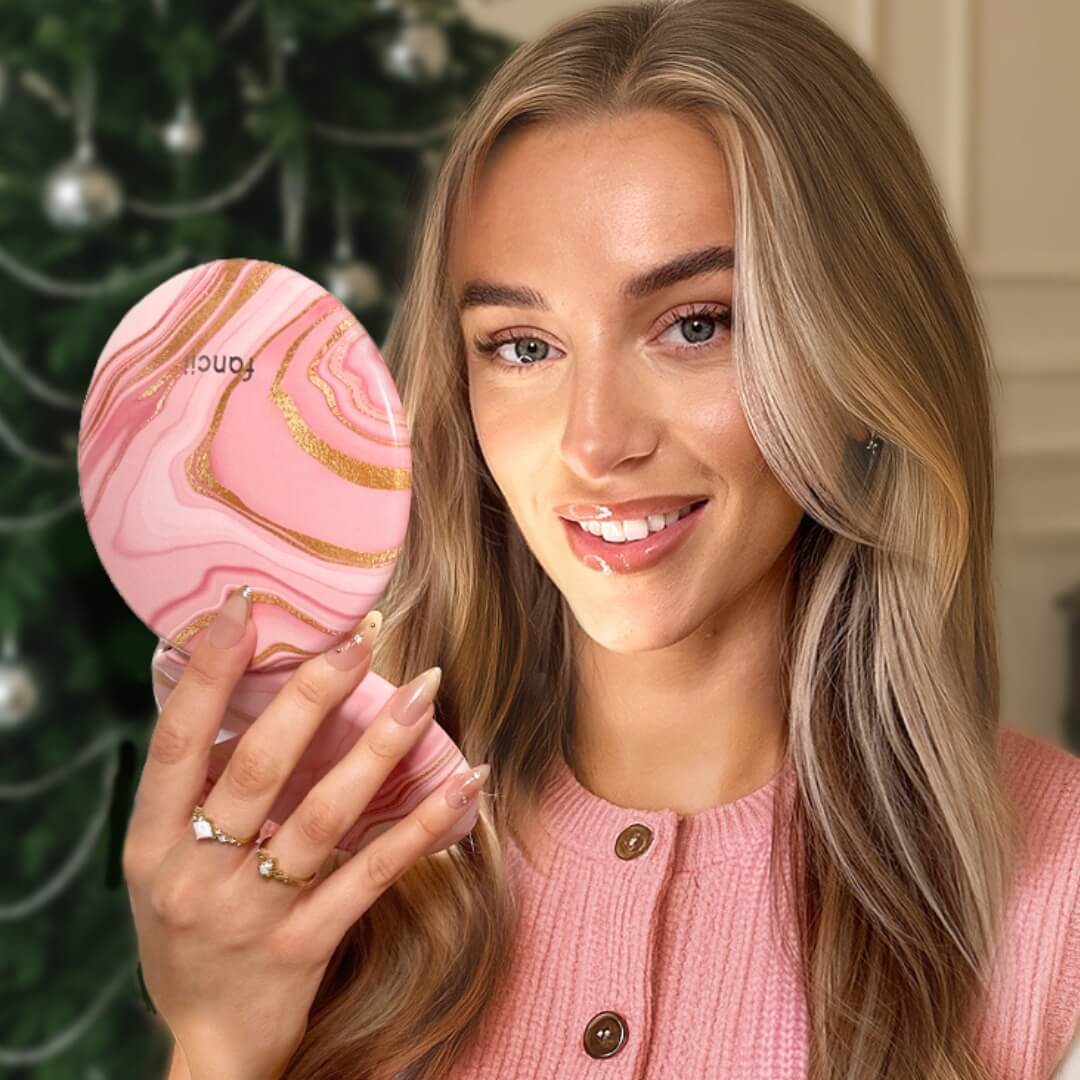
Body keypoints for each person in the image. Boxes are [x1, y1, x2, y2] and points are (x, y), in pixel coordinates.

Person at [124, 0, 1080, 1078]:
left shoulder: (1061, 892)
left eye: (696, 324)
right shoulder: (327, 871)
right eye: (522, 345)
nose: (594, 443)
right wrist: (215, 1045)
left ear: (858, 348)